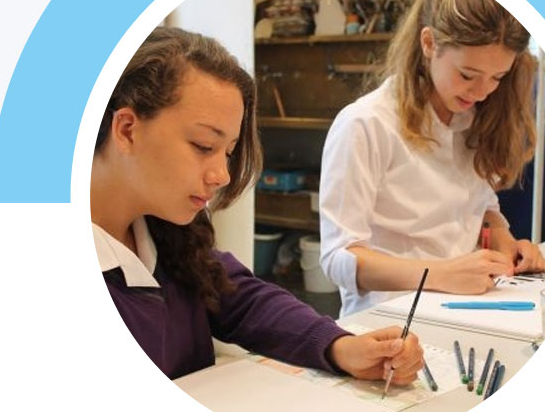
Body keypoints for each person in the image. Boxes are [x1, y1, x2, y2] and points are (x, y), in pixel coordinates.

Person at [90, 26, 423, 383]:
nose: (222, 175)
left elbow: (242, 300)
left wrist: (339, 346)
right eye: (204, 146)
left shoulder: (165, 229)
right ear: (126, 129)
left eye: (228, 152)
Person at [319, 0, 545, 317]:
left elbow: (480, 203)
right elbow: (338, 258)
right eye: (468, 75)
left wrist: (503, 238)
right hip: (386, 320)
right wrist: (440, 274)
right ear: (429, 44)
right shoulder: (365, 124)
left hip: (469, 307)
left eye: (498, 77)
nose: (483, 91)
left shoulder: (474, 117)